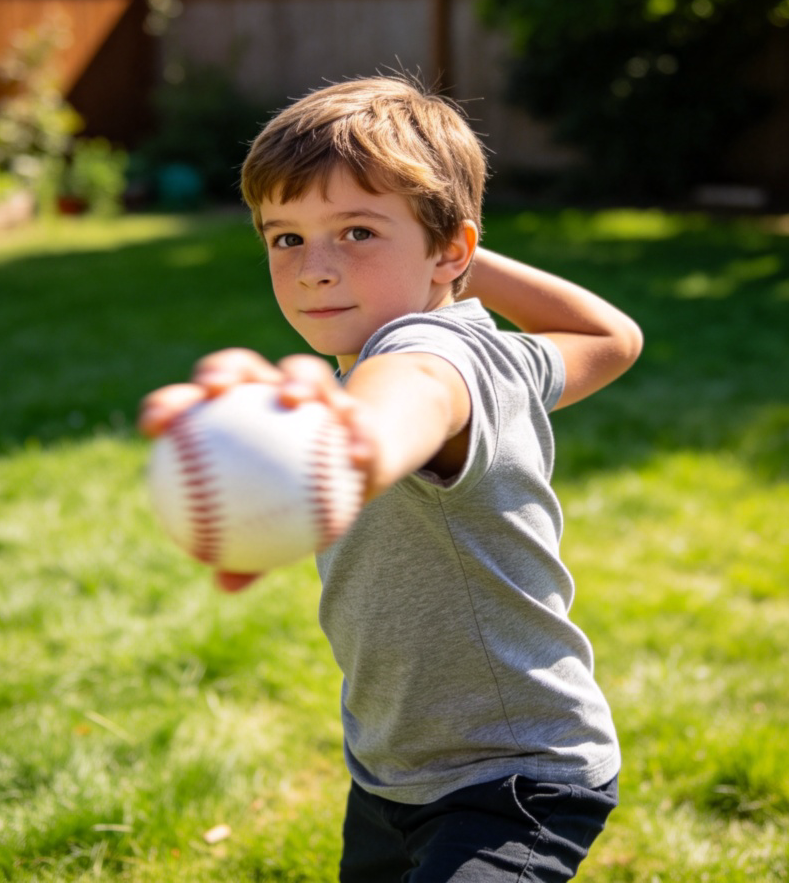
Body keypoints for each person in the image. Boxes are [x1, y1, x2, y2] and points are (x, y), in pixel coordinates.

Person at [139, 75, 643, 882]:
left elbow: (400, 409)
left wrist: (339, 446)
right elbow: (611, 336)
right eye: (287, 237)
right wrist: (438, 254)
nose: (314, 269)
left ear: (452, 248)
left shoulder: (428, 358)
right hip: (392, 773)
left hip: (510, 778)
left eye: (357, 233)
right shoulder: (495, 348)